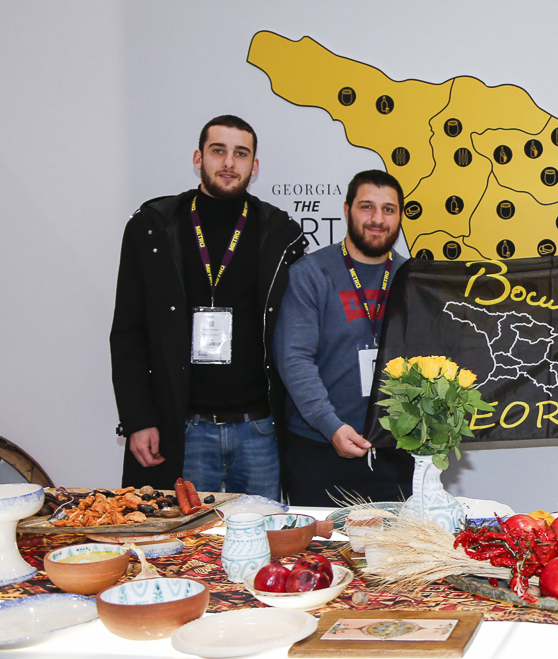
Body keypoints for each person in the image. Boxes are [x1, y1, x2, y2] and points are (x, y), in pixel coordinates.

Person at [110, 115, 306, 498]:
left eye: (241, 154)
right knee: (186, 534)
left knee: (263, 532)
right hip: (184, 428)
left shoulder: (280, 232)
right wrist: (137, 419)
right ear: (198, 158)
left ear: (255, 166)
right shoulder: (153, 227)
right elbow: (128, 333)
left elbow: (296, 337)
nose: (229, 163)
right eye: (218, 151)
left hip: (259, 430)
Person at [275, 170, 415, 505]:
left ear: (400, 216)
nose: (377, 219)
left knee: (396, 540)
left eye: (388, 209)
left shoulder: (412, 279)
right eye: (367, 207)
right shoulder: (310, 274)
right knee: (321, 541)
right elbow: (295, 360)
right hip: (319, 448)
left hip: (394, 451)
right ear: (347, 209)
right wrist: (331, 426)